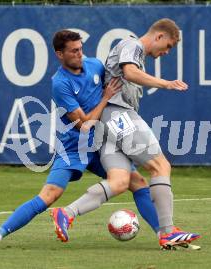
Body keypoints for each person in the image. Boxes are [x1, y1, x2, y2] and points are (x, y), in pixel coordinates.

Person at [0, 30, 160, 249]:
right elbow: (84, 124)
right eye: (73, 51)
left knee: (137, 182)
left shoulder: (95, 66)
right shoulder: (60, 83)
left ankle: (163, 235)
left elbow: (120, 79)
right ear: (59, 54)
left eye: (81, 48)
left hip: (101, 145)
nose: (79, 54)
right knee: (49, 195)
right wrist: (106, 98)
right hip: (74, 147)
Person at [52, 19, 201, 250]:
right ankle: (168, 232)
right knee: (160, 166)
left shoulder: (134, 51)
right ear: (159, 36)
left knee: (121, 182)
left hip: (107, 124)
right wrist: (166, 84)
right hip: (118, 116)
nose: (167, 52)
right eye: (168, 45)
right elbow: (130, 72)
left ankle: (66, 212)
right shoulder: (132, 45)